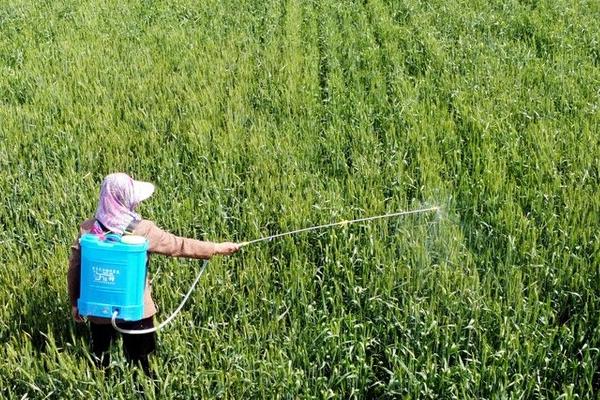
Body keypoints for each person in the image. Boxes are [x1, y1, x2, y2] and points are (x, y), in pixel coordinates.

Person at [67, 172, 240, 378]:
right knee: (143, 361)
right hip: (137, 310)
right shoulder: (142, 230)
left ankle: (103, 385)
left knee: (101, 357)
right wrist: (216, 248)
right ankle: (147, 389)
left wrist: (75, 303)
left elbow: (74, 269)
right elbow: (178, 245)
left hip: (99, 310)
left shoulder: (88, 230)